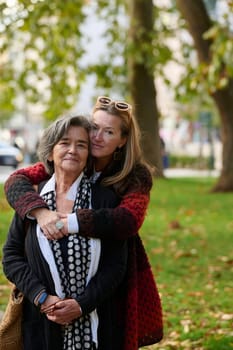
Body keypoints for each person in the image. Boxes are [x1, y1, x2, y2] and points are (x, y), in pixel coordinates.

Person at [4, 96, 163, 349]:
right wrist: (42, 213)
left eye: (109, 132)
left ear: (122, 140)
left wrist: (70, 222)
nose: (97, 137)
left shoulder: (132, 176)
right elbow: (15, 181)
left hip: (104, 302)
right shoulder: (58, 170)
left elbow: (127, 221)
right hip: (41, 320)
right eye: (94, 128)